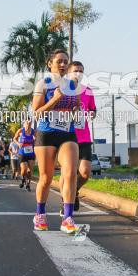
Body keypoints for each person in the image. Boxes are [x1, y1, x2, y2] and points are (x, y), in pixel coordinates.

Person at [32, 49, 80, 233]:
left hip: (67, 132)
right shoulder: (43, 84)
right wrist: (56, 99)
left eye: (65, 62)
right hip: (46, 133)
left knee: (70, 173)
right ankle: (40, 214)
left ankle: (68, 218)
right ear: (50, 64)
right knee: (46, 177)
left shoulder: (72, 84)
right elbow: (37, 112)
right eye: (59, 61)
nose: (62, 64)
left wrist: (77, 111)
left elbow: (75, 107)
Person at [59, 61, 96, 216]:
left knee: (85, 173)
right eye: (75, 71)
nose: (78, 74)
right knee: (67, 174)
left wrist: (91, 113)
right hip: (66, 136)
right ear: (69, 73)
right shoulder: (63, 89)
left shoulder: (88, 91)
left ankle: (73, 193)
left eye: (81, 71)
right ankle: (65, 201)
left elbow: (93, 109)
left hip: (84, 136)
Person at [14, 119, 37, 191]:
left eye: (30, 124)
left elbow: (38, 140)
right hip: (22, 153)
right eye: (27, 123)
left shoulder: (33, 132)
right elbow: (14, 138)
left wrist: (35, 139)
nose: (28, 125)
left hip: (31, 153)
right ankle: (23, 178)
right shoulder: (20, 131)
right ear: (24, 124)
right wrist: (18, 143)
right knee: (24, 170)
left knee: (30, 170)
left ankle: (28, 184)